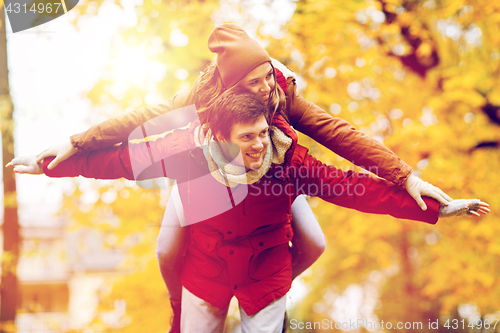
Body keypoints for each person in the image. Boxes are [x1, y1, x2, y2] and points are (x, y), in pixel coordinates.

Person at [17, 24, 454, 333]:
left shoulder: (281, 96)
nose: (267, 87)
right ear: (231, 90)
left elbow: (339, 134)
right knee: (167, 246)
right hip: (207, 179)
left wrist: (406, 177)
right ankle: (180, 304)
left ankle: (268, 280)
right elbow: (141, 121)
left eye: (268, 76)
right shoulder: (202, 103)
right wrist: (75, 144)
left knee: (314, 241)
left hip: (277, 181)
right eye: (257, 81)